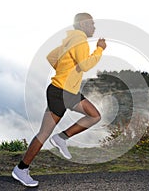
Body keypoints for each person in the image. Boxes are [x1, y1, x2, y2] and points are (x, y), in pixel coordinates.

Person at [12, 13, 107, 187]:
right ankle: (21, 169)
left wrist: (65, 70)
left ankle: (61, 138)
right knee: (44, 133)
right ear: (83, 24)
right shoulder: (81, 40)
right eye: (91, 23)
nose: (94, 27)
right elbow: (85, 65)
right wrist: (99, 49)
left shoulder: (69, 39)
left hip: (66, 91)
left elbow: (51, 57)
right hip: (61, 92)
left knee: (94, 115)